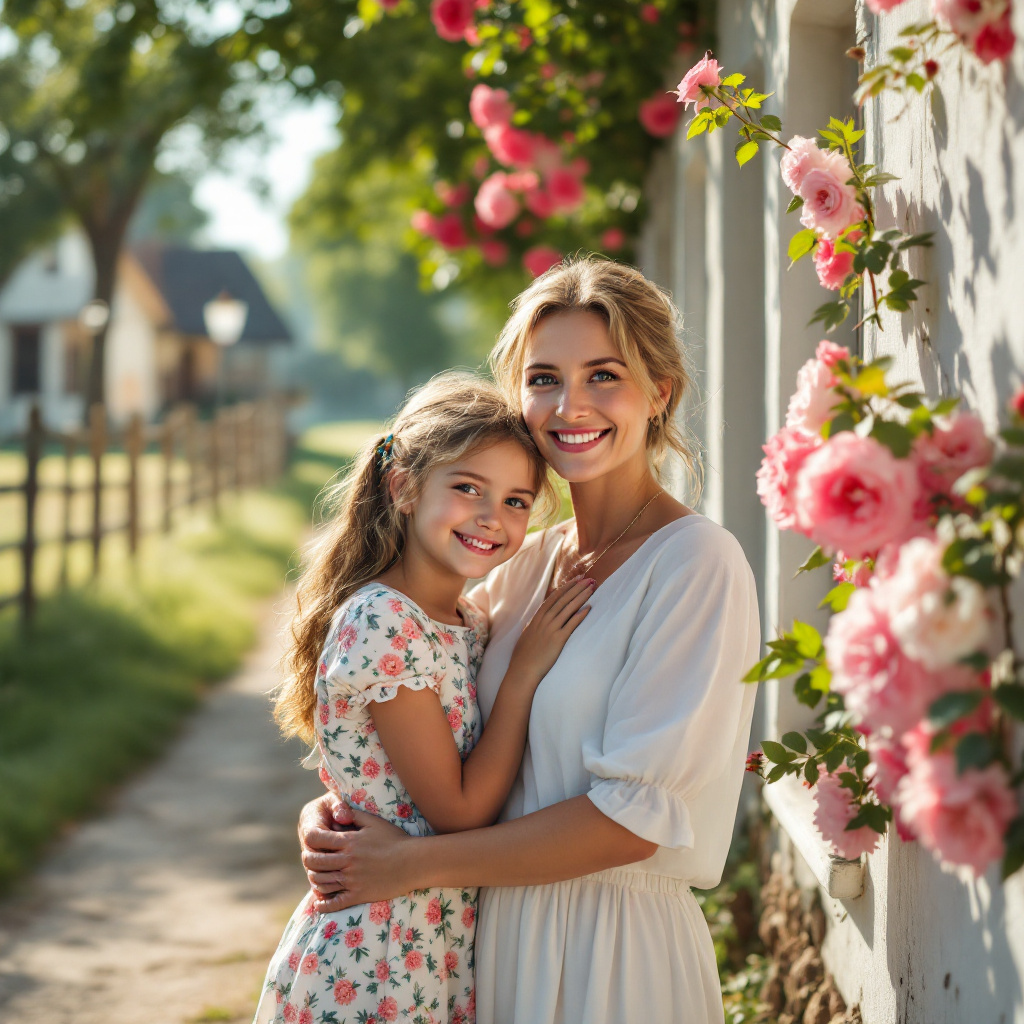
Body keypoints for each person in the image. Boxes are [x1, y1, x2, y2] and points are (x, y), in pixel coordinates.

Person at [297, 258, 760, 1024]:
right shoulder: (522, 563)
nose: (570, 405)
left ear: (660, 392)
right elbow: (407, 710)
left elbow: (629, 821)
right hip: (487, 945)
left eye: (602, 375)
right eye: (544, 378)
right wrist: (336, 823)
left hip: (611, 956)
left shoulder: (697, 564)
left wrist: (409, 866)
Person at [254, 373, 595, 1024]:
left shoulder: (468, 620)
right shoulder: (386, 621)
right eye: (467, 488)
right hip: (374, 955)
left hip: (428, 941)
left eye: (518, 501)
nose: (493, 517)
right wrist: (523, 675)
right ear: (404, 487)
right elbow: (458, 811)